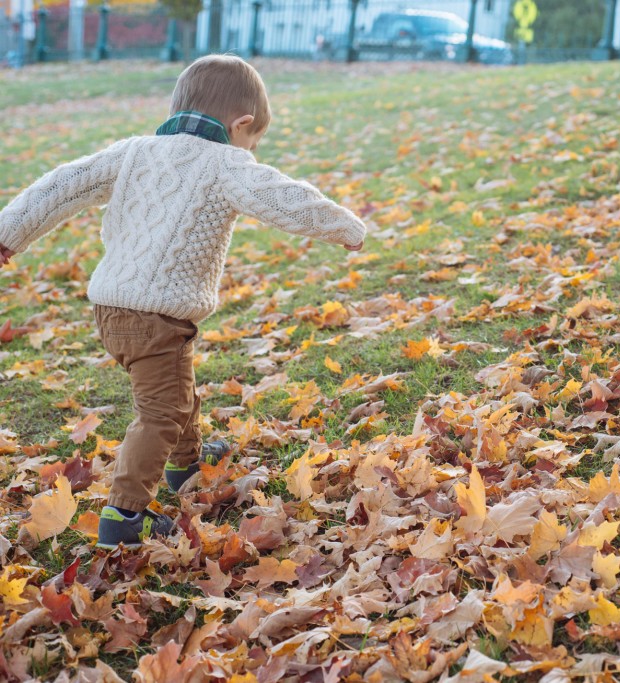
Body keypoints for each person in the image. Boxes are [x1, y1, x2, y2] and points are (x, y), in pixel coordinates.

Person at [0, 55, 366, 549]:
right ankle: (124, 515)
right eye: (252, 141)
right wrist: (345, 227)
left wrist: (8, 235)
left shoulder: (132, 151)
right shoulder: (226, 162)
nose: (250, 149)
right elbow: (286, 200)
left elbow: (61, 187)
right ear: (242, 125)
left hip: (112, 309)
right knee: (162, 410)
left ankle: (186, 465)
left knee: (176, 390)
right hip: (156, 316)